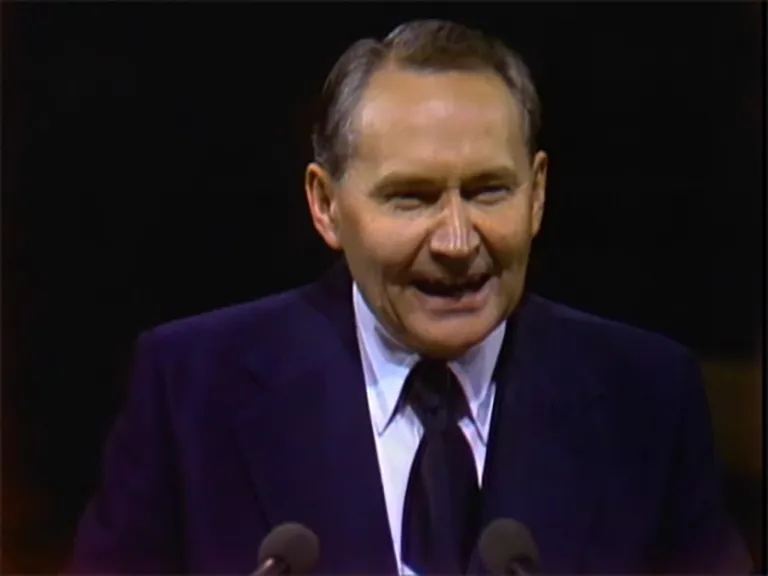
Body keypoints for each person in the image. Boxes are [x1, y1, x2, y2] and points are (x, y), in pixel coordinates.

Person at [67, 19, 752, 575]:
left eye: (489, 191)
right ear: (326, 205)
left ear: (538, 193)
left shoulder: (645, 398)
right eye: (412, 197)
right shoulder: (192, 391)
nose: (457, 240)